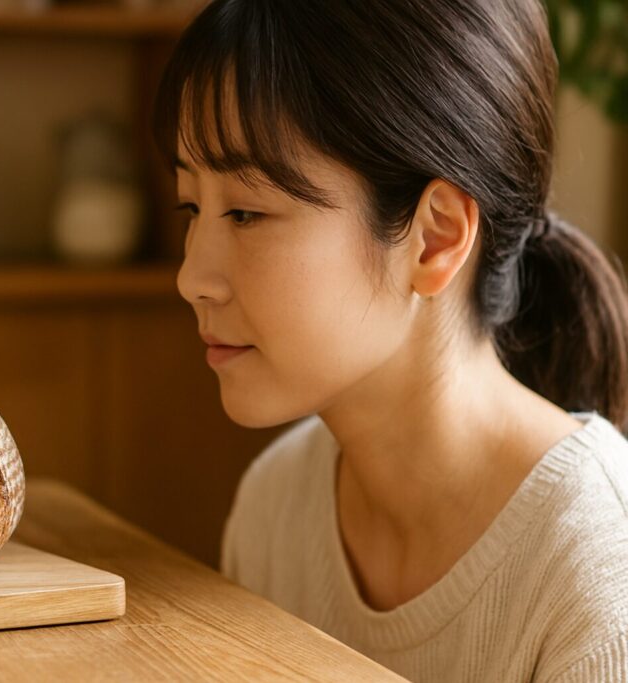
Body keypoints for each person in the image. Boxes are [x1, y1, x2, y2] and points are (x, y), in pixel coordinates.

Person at [150, 1, 628, 680]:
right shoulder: (275, 507)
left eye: (248, 212)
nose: (192, 277)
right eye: (192, 208)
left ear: (434, 237)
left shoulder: (601, 567)